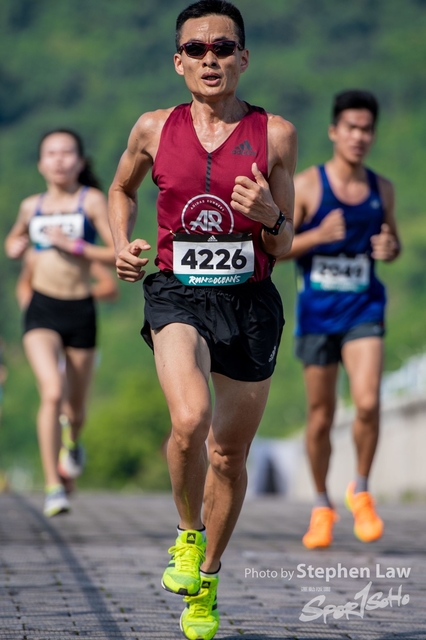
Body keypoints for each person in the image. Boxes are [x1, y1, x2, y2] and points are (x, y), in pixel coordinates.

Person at [108, 2, 296, 638]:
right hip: (176, 292)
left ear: (244, 57)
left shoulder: (276, 135)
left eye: (223, 47)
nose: (209, 58)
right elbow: (121, 190)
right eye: (197, 49)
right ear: (178, 61)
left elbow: (283, 243)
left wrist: (269, 215)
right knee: (189, 420)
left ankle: (207, 580)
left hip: (250, 301)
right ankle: (187, 535)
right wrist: (120, 244)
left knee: (228, 454)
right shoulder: (152, 128)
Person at [281, 90, 400, 549]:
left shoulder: (381, 189)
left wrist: (390, 248)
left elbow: (392, 242)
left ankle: (362, 491)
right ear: (334, 131)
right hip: (317, 316)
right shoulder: (309, 186)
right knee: (321, 415)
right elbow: (277, 247)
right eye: (351, 127)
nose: (359, 136)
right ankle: (321, 505)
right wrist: (316, 237)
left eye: (366, 129)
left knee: (367, 402)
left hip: (364, 309)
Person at [5, 129, 116, 517]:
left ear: (80, 162)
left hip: (80, 309)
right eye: (51, 153)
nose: (59, 160)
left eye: (67, 152)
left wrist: (76, 246)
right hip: (41, 310)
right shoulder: (30, 206)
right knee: (52, 392)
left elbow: (116, 252)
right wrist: (15, 246)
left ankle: (73, 440)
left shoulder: (91, 201)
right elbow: (12, 242)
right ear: (40, 163)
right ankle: (54, 485)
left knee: (76, 409)